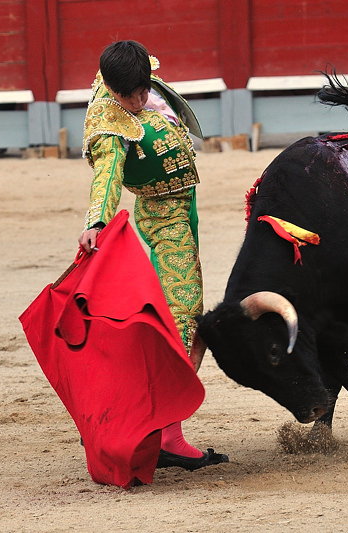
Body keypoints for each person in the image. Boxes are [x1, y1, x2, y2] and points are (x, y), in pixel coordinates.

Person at [78, 40, 227, 471]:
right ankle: (166, 436)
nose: (141, 101)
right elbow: (107, 177)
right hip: (164, 216)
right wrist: (96, 223)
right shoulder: (108, 125)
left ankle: (162, 429)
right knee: (185, 314)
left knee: (181, 312)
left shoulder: (132, 71)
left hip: (183, 204)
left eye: (145, 90)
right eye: (132, 97)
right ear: (113, 90)